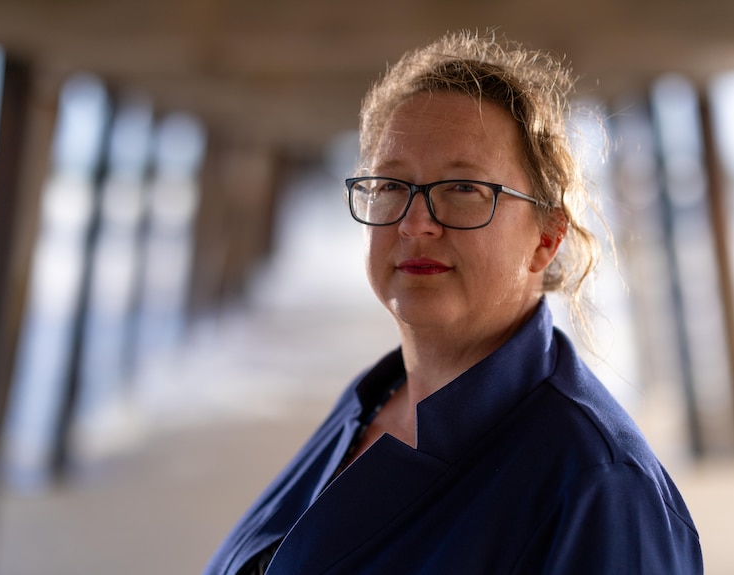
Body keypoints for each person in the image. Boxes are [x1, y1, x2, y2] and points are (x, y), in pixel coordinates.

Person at [204, 30, 703, 574]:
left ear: (546, 237)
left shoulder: (598, 486)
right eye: (391, 185)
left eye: (464, 189)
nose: (416, 224)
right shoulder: (368, 400)